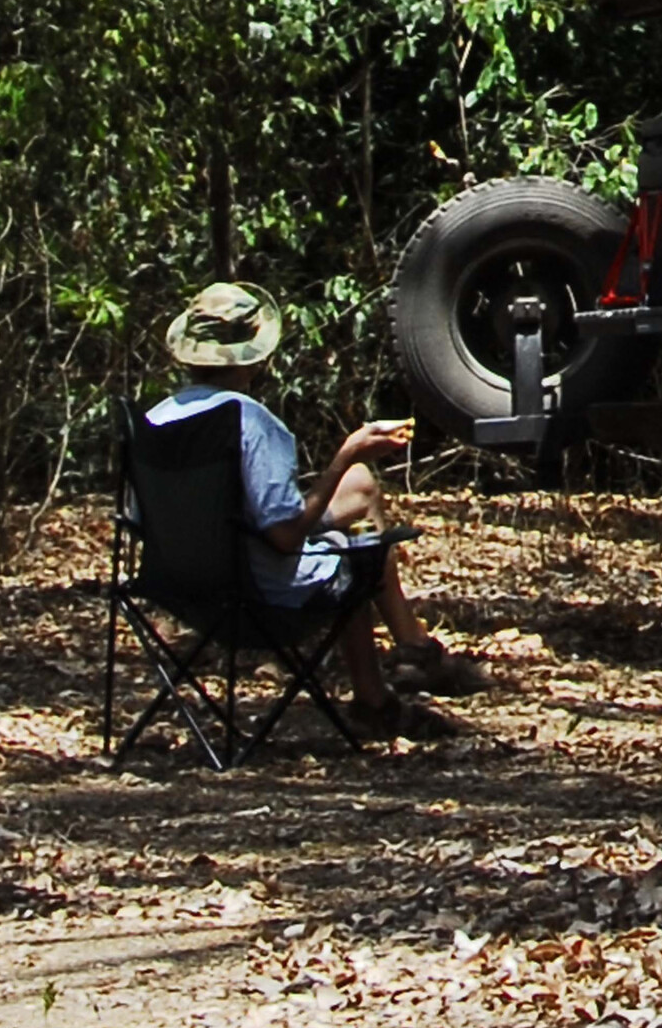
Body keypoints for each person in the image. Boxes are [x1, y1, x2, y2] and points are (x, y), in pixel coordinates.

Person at [144, 281, 480, 734]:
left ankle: (413, 649)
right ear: (256, 358)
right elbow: (284, 537)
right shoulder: (249, 422)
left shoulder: (154, 420)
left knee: (358, 489)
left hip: (178, 587)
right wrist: (348, 453)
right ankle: (376, 696)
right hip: (256, 594)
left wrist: (346, 473)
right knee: (356, 551)